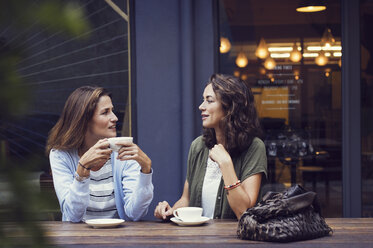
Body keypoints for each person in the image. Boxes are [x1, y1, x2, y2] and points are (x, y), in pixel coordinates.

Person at [154, 74, 267, 220]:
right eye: (203, 100)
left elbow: (244, 212)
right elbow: (186, 199)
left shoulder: (254, 147)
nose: (201, 107)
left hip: (234, 240)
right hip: (199, 239)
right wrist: (171, 211)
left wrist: (225, 164)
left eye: (209, 101)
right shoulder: (198, 146)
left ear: (230, 107)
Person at [46, 86, 153, 222]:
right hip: (77, 237)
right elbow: (72, 215)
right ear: (84, 120)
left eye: (112, 111)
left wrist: (146, 170)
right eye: (105, 112)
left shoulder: (123, 152)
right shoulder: (61, 155)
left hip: (119, 236)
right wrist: (82, 171)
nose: (114, 118)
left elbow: (135, 213)